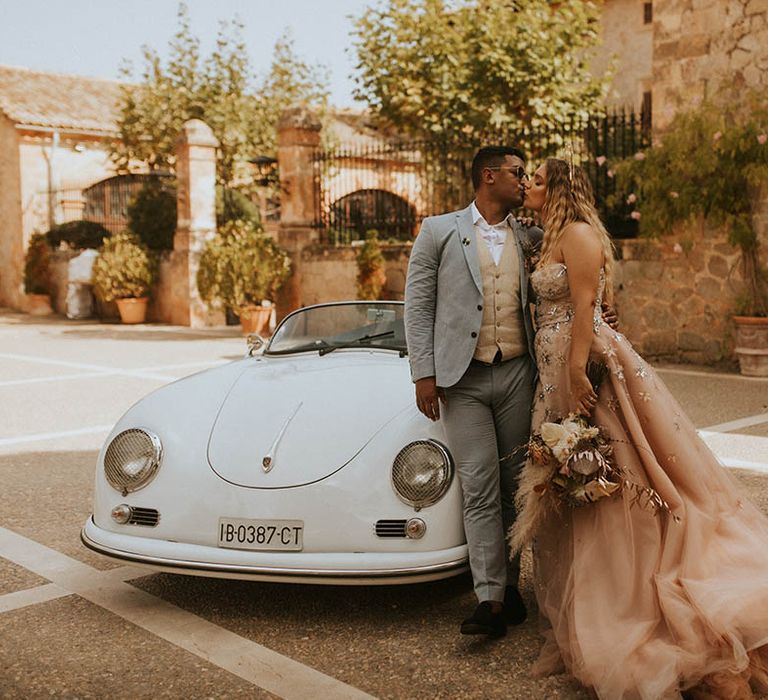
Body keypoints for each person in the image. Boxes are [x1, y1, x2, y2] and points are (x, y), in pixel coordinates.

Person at [511, 157, 768, 699]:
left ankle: (629, 597)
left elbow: (586, 306)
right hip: (555, 365)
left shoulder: (578, 234)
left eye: (535, 179)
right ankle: (590, 599)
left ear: (558, 189)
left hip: (583, 365)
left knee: (615, 466)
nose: (527, 186)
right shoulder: (547, 235)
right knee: (573, 474)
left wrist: (578, 371)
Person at [405, 146, 541, 638]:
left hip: (517, 375)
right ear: (489, 176)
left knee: (513, 485)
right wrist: (424, 372)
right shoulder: (438, 231)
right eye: (516, 172)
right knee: (480, 484)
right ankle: (489, 599)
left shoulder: (531, 237)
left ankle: (509, 589)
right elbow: (418, 306)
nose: (524, 181)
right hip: (460, 379)